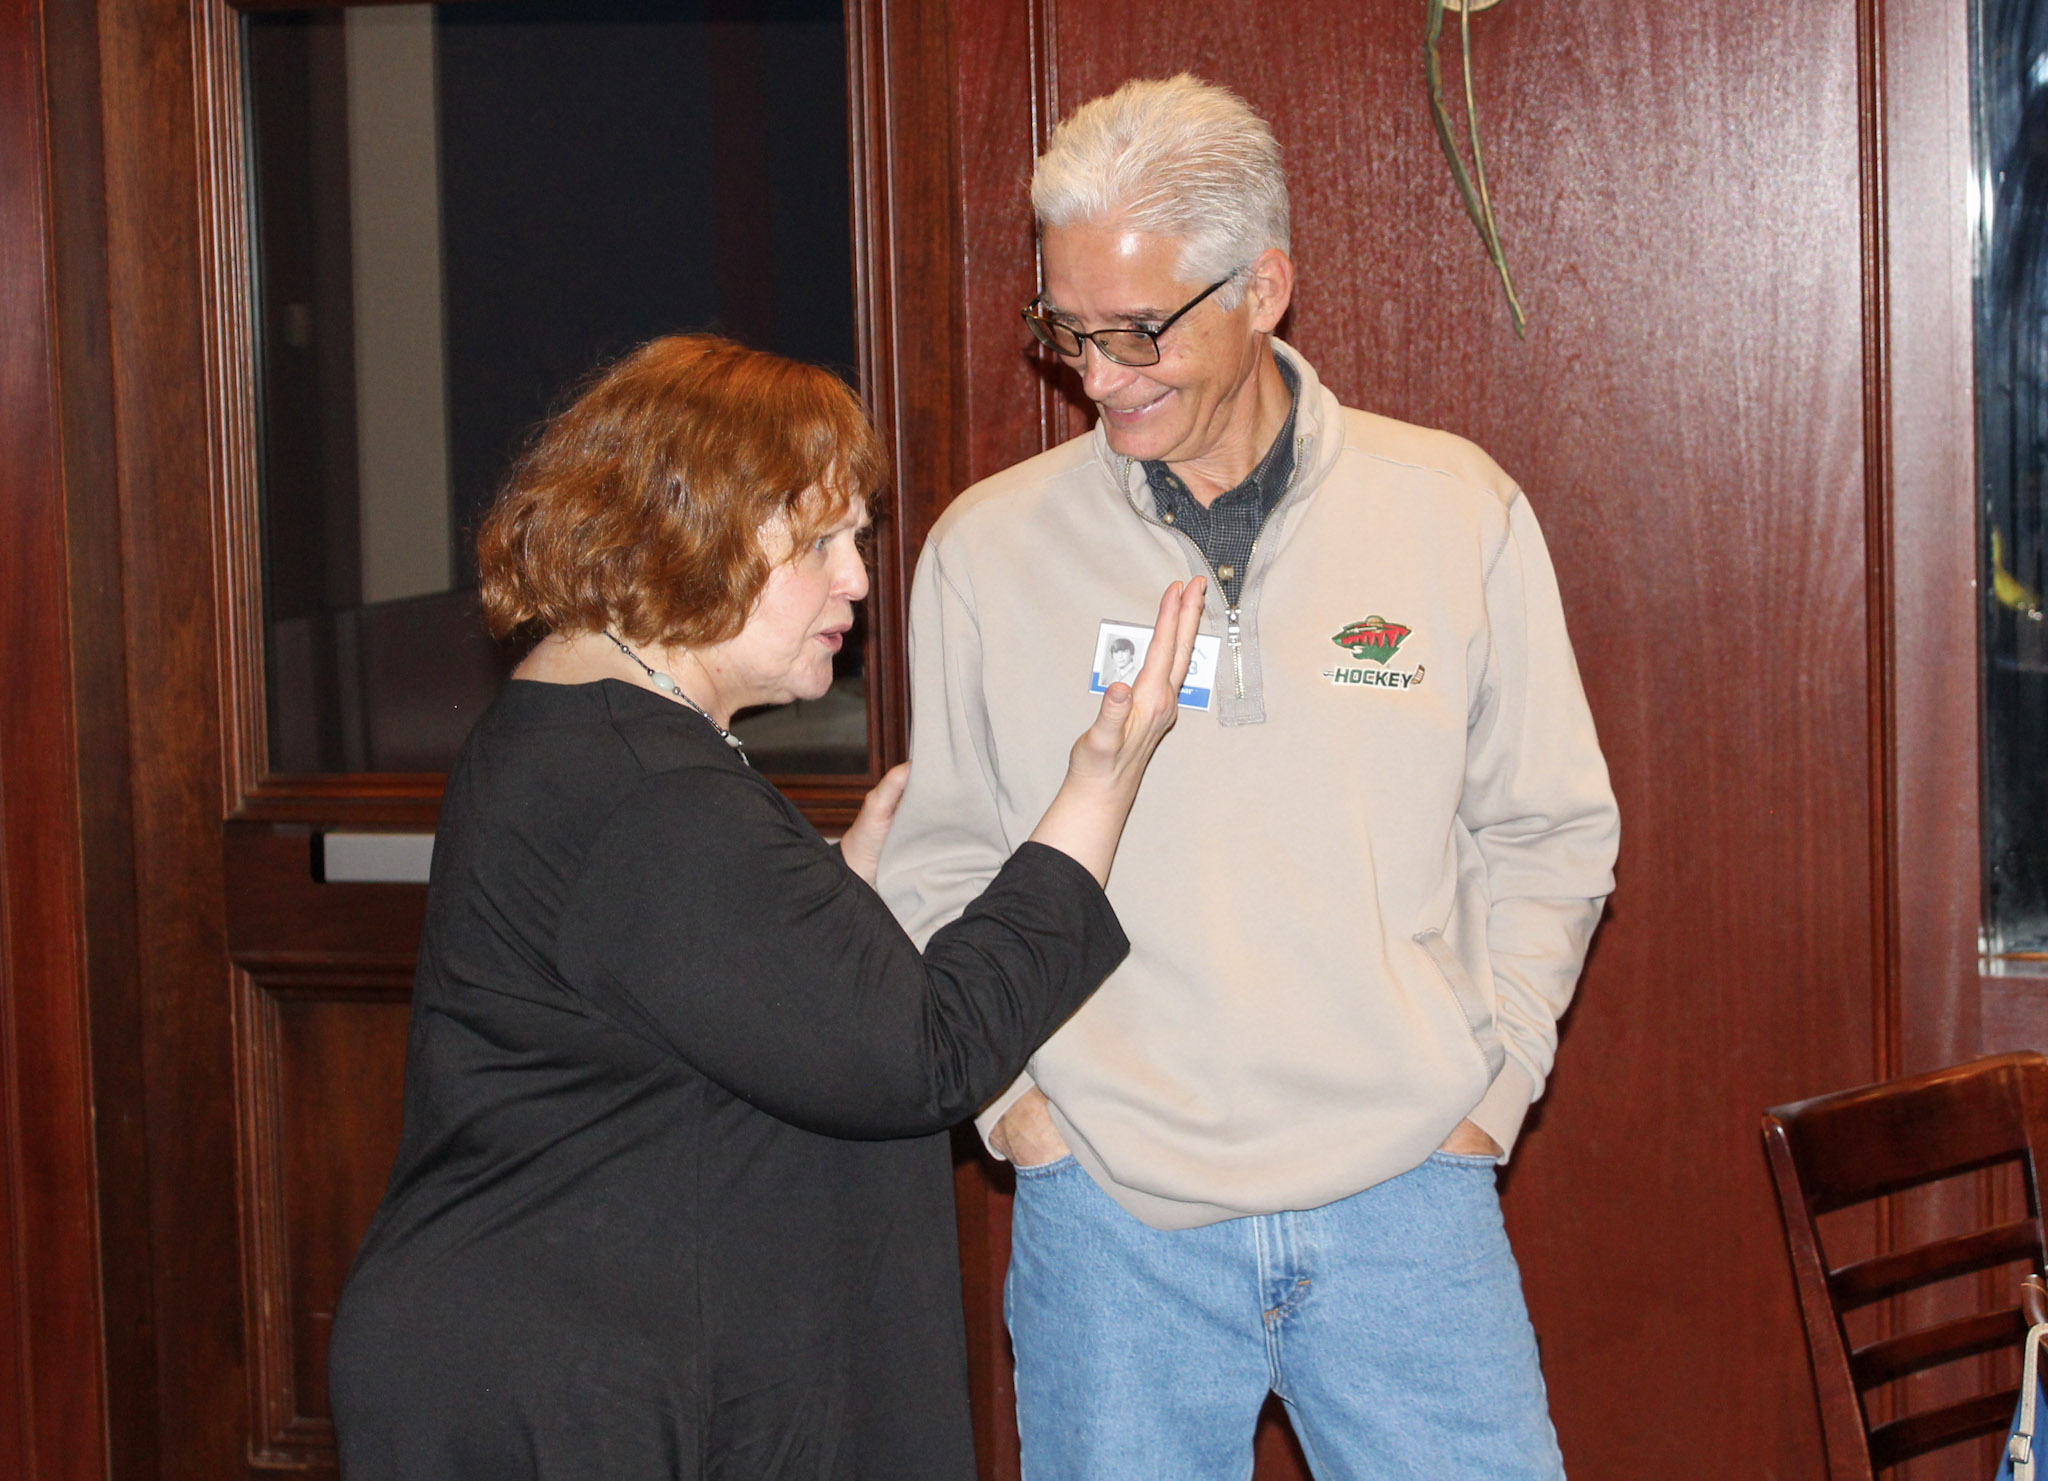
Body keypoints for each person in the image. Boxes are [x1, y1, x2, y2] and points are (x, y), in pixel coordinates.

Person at [878, 76, 1619, 1479]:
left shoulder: (1454, 509)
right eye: (1067, 330)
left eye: (1138, 330)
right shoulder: (985, 550)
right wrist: (1020, 1115)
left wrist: (1491, 1090)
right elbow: (941, 865)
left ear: (1263, 287)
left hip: (1411, 1202)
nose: (1098, 375)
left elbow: (1548, 831)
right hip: (1109, 1221)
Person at [327, 333, 1204, 1481]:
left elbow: (676, 1006)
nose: (857, 579)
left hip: (559, 1356)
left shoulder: (573, 728)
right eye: (821, 540)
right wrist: (1098, 787)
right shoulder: (650, 792)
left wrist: (821, 915)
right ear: (692, 530)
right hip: (576, 1390)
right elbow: (925, 1057)